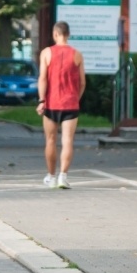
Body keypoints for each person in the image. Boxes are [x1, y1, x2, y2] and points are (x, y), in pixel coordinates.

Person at [36, 21, 86, 189]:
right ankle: (63, 177)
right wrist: (76, 98)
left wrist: (41, 100)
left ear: (55, 34)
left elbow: (43, 78)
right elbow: (82, 83)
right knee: (67, 141)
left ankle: (51, 177)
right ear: (68, 34)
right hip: (71, 104)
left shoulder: (46, 53)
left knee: (50, 140)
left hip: (51, 103)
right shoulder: (77, 54)